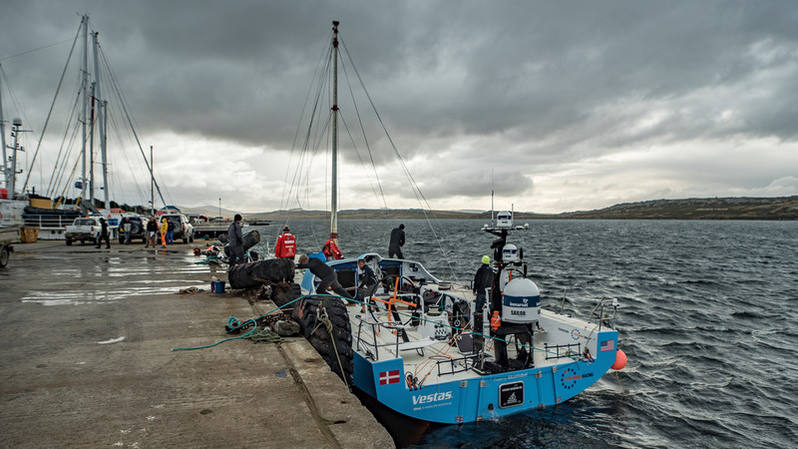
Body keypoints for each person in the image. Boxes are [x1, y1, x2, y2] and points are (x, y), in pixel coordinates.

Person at [472, 255, 494, 352]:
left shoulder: (480, 270)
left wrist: (474, 289)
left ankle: (477, 328)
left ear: (482, 262)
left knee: (478, 311)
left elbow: (477, 280)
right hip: (489, 294)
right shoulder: (492, 271)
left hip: (481, 293)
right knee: (488, 310)